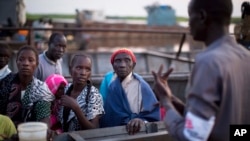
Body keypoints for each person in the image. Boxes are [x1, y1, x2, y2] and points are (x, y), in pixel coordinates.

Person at [152, 0, 250, 141]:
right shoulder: (246, 57)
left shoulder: (208, 61)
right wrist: (171, 98)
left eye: (190, 16)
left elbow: (192, 136)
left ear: (202, 16)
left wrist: (165, 101)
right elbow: (216, 120)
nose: (188, 23)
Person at [100, 48, 160, 135]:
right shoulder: (112, 87)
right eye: (118, 61)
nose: (122, 65)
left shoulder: (141, 85)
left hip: (139, 132)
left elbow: (152, 114)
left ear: (133, 65)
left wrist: (141, 120)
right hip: (116, 134)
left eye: (127, 60)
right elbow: (108, 116)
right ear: (113, 65)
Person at [0, 46, 54, 127]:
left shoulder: (40, 89)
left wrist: (44, 129)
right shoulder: (5, 83)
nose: (25, 63)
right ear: (16, 62)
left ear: (37, 64)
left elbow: (44, 116)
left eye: (30, 60)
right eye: (21, 59)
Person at [58, 53, 104, 132]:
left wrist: (76, 108)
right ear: (70, 70)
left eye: (87, 69)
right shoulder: (65, 89)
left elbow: (94, 129)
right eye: (79, 68)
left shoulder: (93, 94)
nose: (83, 73)